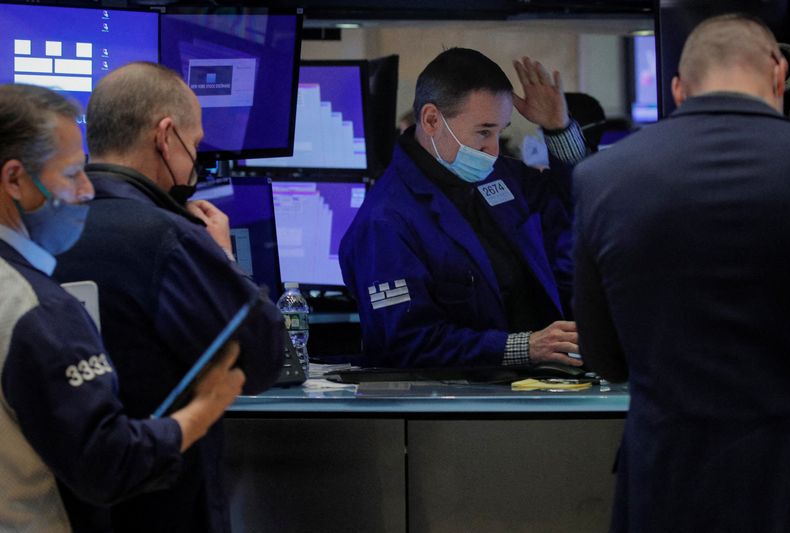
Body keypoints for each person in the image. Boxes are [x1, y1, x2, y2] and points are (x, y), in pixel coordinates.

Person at [572, 13, 790, 532]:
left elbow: (604, 357)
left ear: (677, 88)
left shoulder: (602, 178)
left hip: (666, 479)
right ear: (779, 75)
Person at [0, 84, 246, 532]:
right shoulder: (36, 308)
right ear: (14, 179)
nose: (87, 190)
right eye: (73, 173)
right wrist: (201, 411)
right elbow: (108, 463)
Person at [53, 62, 286, 532]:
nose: (194, 161)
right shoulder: (169, 239)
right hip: (164, 502)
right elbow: (260, 356)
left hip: (64, 506)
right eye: (195, 145)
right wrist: (223, 257)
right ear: (166, 136)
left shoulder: (42, 232)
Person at [340, 48, 588, 368]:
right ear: (431, 120)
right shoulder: (385, 222)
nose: (494, 148)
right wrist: (523, 347)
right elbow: (406, 343)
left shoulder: (499, 176)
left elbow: (584, 201)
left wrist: (559, 129)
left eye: (501, 131)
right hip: (454, 405)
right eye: (484, 131)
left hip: (543, 383)